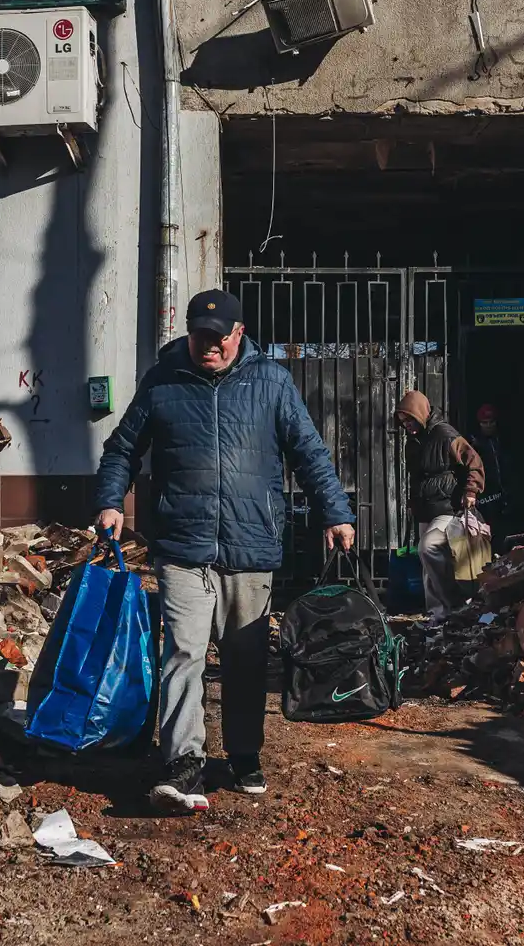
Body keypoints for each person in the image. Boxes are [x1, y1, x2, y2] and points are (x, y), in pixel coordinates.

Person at [93, 289, 355, 815]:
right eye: (199, 336)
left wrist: (336, 512)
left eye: (218, 338)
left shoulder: (271, 382)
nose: (207, 346)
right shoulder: (163, 380)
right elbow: (122, 447)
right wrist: (109, 502)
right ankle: (183, 764)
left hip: (250, 543)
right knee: (184, 653)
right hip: (183, 544)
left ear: (239, 334)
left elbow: (309, 451)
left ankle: (242, 752)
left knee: (245, 657)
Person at [393, 389, 485, 620]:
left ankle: (456, 603)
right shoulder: (413, 442)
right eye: (403, 421)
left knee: (429, 547)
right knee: (427, 567)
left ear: (421, 414)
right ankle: (439, 616)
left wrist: (471, 490)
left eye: (410, 419)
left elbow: (473, 461)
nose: (407, 425)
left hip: (448, 507)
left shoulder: (445, 435)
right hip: (426, 510)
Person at [470, 403, 510, 535]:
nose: (488, 425)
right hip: (485, 493)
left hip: (502, 490)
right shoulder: (473, 443)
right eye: (484, 423)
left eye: (491, 422)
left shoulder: (501, 440)